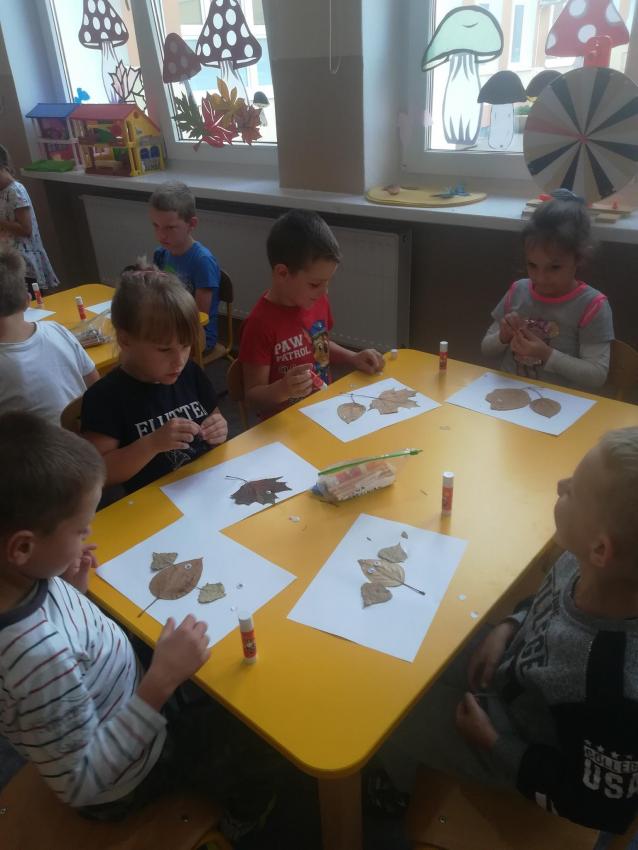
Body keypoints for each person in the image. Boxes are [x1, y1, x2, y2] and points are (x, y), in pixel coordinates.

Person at [0, 412, 283, 841]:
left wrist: (73, 590)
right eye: (80, 530)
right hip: (128, 773)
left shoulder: (20, 578)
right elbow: (83, 779)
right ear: (23, 547)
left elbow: (59, 635)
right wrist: (161, 680)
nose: (88, 535)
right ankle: (243, 818)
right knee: (259, 742)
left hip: (120, 694)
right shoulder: (38, 659)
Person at [381, 427, 638, 835]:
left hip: (510, 746)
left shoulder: (613, 690)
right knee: (403, 639)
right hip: (507, 668)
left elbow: (605, 808)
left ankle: (398, 787)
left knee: (383, 713)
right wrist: (509, 625)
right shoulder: (581, 560)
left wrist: (495, 744)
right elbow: (547, 602)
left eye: (573, 491)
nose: (560, 485)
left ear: (601, 549)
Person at [81, 268, 228, 494]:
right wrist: (151, 444)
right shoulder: (105, 397)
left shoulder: (189, 372)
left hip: (207, 484)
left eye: (185, 346)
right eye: (164, 350)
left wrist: (218, 427)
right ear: (125, 340)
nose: (179, 360)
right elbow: (98, 474)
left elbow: (213, 415)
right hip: (156, 500)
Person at [239, 209, 385, 418]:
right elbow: (252, 397)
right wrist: (283, 389)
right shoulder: (259, 324)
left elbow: (319, 346)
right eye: (315, 284)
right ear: (282, 273)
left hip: (324, 409)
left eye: (328, 282)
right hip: (285, 424)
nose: (325, 292)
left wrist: (353, 358)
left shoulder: (316, 301)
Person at [481, 196, 613, 390]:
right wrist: (503, 336)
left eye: (554, 267)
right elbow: (486, 349)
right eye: (532, 265)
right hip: (508, 393)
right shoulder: (518, 290)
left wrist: (547, 354)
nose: (540, 278)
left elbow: (596, 375)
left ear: (579, 259)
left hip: (560, 401)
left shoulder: (592, 305)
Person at [0, 246, 98, 424]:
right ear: (27, 300)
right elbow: (97, 387)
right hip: (85, 434)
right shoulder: (57, 330)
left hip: (41, 442)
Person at [150, 181, 221, 354]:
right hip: (170, 323)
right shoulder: (161, 254)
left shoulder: (202, 261)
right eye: (156, 226)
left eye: (170, 227)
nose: (161, 235)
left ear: (192, 224)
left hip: (197, 334)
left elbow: (199, 316)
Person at [0, 144, 59, 291]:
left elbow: (26, 229)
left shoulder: (15, 191)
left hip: (23, 264)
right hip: (7, 260)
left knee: (28, 301)